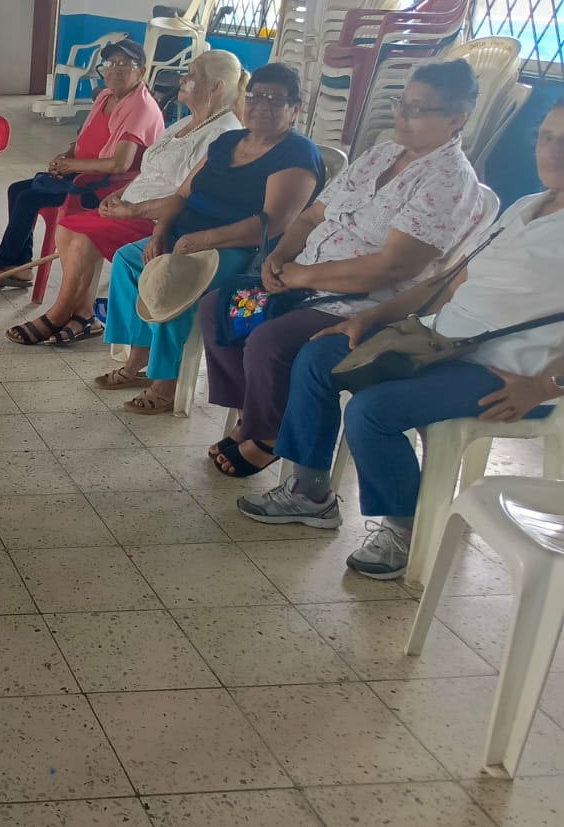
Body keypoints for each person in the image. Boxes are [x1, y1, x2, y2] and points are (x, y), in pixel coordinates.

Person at [238, 100, 564, 581]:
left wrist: (545, 386)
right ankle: (309, 491)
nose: (553, 151)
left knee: (372, 412)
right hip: (441, 340)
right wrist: (369, 320)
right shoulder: (526, 207)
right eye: (547, 137)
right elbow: (447, 283)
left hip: (508, 369)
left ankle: (406, 528)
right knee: (319, 355)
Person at [201, 60, 487, 476]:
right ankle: (254, 412)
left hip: (359, 302)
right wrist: (279, 259)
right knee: (218, 308)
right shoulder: (379, 155)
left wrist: (301, 276)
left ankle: (270, 434)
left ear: (457, 118)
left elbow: (391, 268)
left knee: (269, 340)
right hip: (300, 280)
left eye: (417, 109)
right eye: (401, 103)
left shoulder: (449, 181)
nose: (401, 116)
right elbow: (310, 217)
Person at [96, 62, 324, 414]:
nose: (262, 106)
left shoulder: (296, 153)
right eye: (256, 97)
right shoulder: (227, 141)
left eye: (275, 100)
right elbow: (182, 195)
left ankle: (166, 381)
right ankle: (138, 358)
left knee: (175, 277)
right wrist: (160, 232)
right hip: (188, 234)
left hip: (239, 248)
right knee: (130, 259)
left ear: (294, 109)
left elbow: (274, 222)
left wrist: (204, 239)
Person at [2, 51, 245, 346]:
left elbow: (187, 197)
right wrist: (120, 195)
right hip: (132, 204)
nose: (184, 79)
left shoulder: (223, 134)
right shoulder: (184, 123)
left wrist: (132, 210)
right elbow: (148, 171)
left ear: (216, 87)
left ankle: (57, 315)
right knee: (67, 230)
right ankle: (83, 315)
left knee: (83, 239)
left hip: (161, 220)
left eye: (193, 74)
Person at [0, 38, 163, 288]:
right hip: (81, 173)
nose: (114, 70)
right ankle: (19, 267)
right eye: (110, 63)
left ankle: (2, 263)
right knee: (17, 190)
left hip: (105, 187)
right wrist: (66, 157)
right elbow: (85, 138)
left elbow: (119, 165)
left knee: (28, 198)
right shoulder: (105, 96)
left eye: (124, 64)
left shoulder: (141, 107)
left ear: (141, 71)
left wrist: (73, 167)